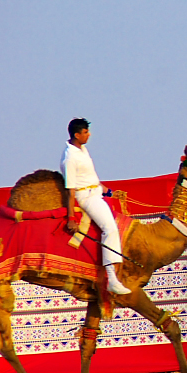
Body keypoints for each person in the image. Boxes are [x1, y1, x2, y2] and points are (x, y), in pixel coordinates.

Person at [61, 118, 131, 295]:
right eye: (85, 132)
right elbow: (71, 190)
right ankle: (111, 279)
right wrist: (71, 218)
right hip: (87, 197)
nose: (88, 134)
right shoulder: (70, 157)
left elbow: (91, 178)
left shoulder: (82, 149)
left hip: (96, 193)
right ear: (77, 135)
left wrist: (109, 192)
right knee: (110, 229)